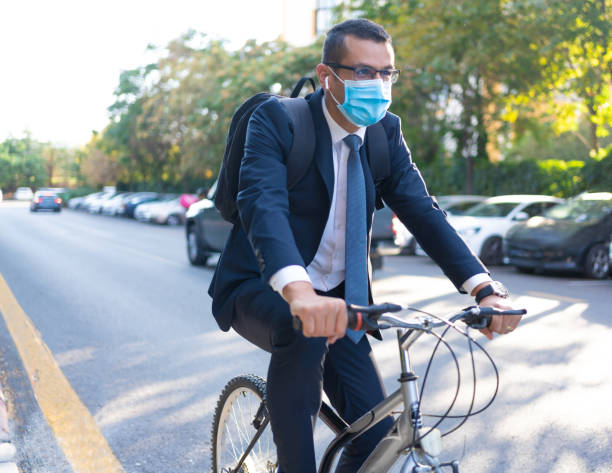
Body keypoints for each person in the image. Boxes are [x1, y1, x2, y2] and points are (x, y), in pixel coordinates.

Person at [208, 18, 522, 473]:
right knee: (303, 334)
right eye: (362, 72)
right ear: (327, 76)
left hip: (343, 304)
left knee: (376, 441)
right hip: (264, 287)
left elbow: (423, 213)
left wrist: (484, 288)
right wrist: (300, 294)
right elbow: (263, 204)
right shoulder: (279, 121)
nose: (377, 83)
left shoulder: (385, 134)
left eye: (386, 73)